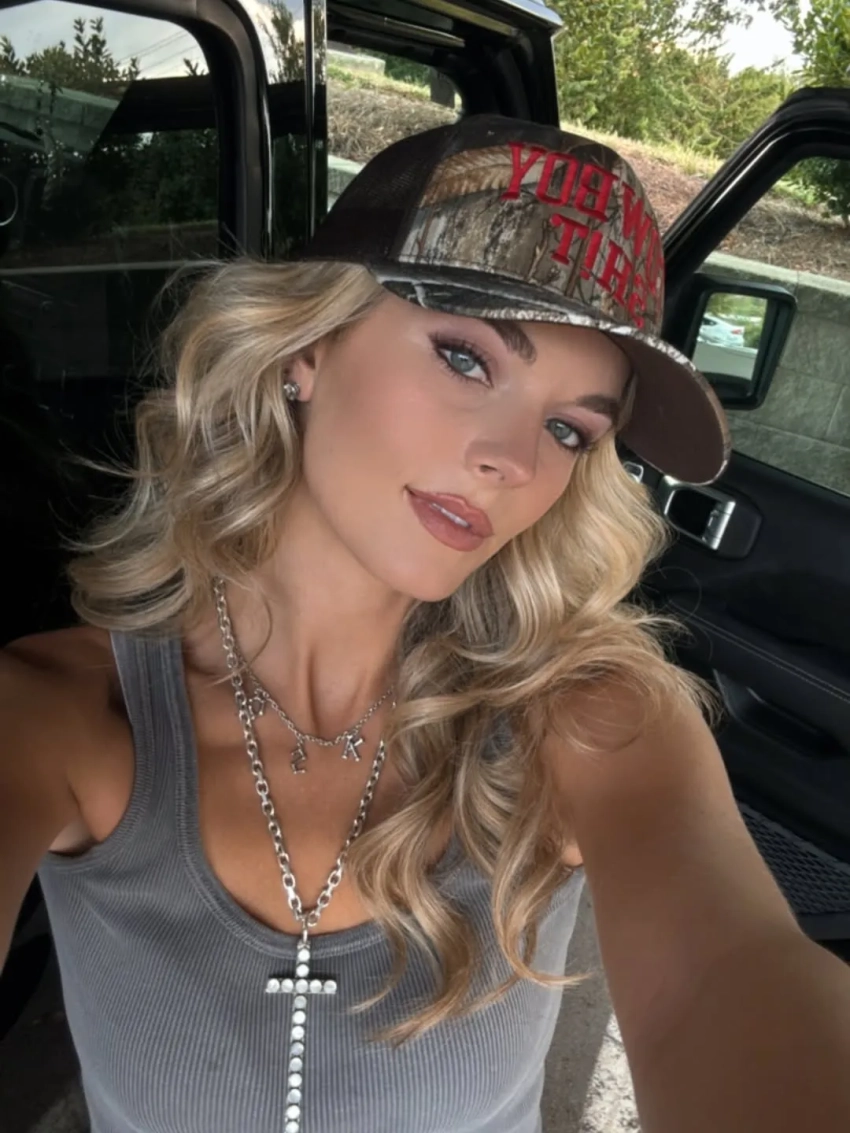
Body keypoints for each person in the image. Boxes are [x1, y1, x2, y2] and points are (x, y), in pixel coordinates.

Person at [1, 115, 849, 1133]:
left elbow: (726, 974)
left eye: (568, 427)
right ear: (306, 345)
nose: (512, 460)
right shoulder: (58, 716)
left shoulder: (591, 721)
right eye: (465, 357)